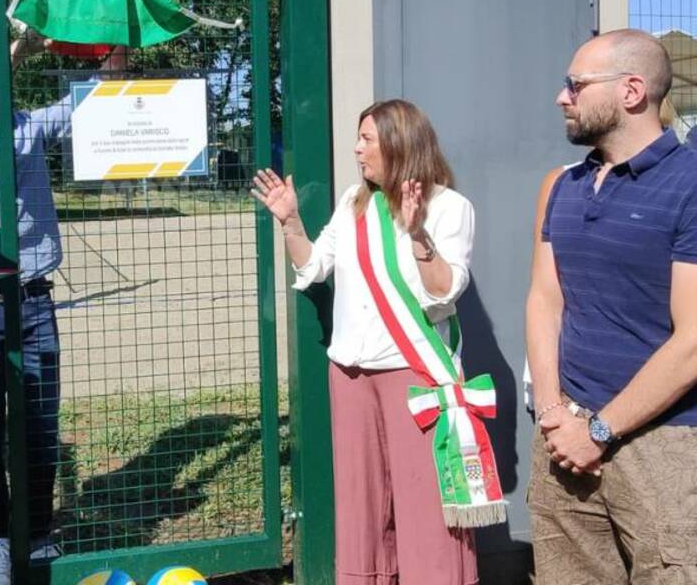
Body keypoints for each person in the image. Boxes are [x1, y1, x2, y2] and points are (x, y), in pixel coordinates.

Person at [252, 99, 500, 585]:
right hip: (350, 374)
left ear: (399, 142)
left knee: (425, 500)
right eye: (358, 138)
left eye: (366, 139)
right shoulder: (353, 203)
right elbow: (313, 266)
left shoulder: (449, 207)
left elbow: (445, 290)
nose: (356, 149)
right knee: (361, 501)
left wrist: (419, 237)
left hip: (412, 373)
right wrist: (289, 221)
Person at [0, 38, 124, 583]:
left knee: (38, 424)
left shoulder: (27, 125)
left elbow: (90, 99)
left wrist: (115, 53)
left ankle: (36, 533)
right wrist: (19, 48)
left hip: (33, 300)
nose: (0, 78)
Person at [525, 29, 697, 584]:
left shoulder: (689, 184)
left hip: (664, 444)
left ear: (631, 91)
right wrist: (554, 412)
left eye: (575, 85)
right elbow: (545, 300)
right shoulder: (564, 187)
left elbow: (693, 340)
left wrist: (599, 431)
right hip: (563, 437)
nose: (561, 97)